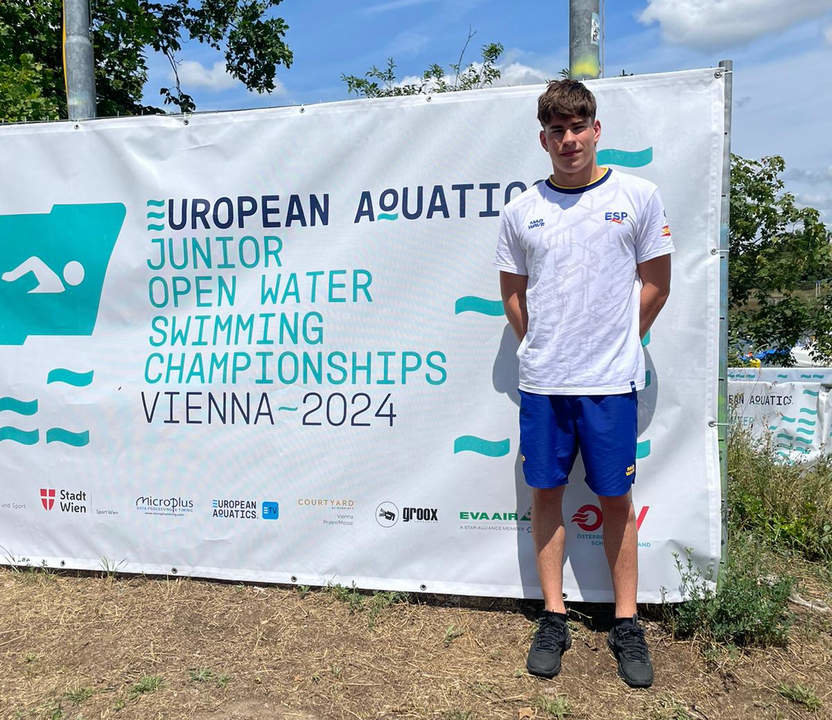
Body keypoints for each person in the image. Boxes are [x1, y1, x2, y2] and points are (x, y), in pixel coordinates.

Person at [494, 79, 673, 688]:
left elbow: (657, 285)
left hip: (610, 384)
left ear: (596, 130)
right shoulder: (522, 211)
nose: (569, 140)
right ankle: (553, 616)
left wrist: (624, 340)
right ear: (543, 139)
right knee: (545, 495)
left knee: (615, 501)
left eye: (578, 127)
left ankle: (626, 622)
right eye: (557, 131)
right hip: (544, 383)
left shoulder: (639, 196)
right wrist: (542, 346)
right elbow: (512, 295)